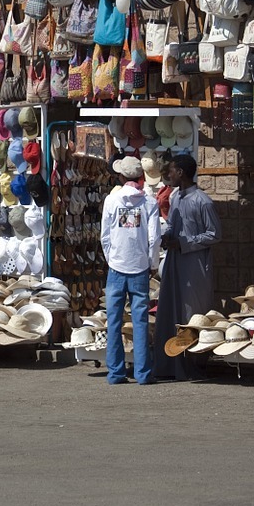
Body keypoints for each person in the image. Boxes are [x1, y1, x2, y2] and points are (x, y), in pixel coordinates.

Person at [154, 154, 222, 381]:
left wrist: (184, 243)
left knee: (191, 314)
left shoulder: (203, 201)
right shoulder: (175, 198)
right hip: (174, 263)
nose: (168, 175)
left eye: (171, 170)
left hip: (194, 267)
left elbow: (214, 234)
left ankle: (194, 366)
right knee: (171, 311)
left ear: (181, 172)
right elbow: (173, 225)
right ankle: (170, 364)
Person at [100, 156, 161, 385]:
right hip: (140, 267)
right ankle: (143, 373)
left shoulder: (112, 200)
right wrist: (153, 264)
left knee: (114, 320)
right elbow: (154, 238)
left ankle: (115, 373)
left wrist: (111, 259)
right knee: (140, 321)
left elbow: (105, 236)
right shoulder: (149, 202)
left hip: (116, 266)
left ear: (122, 177)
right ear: (141, 177)